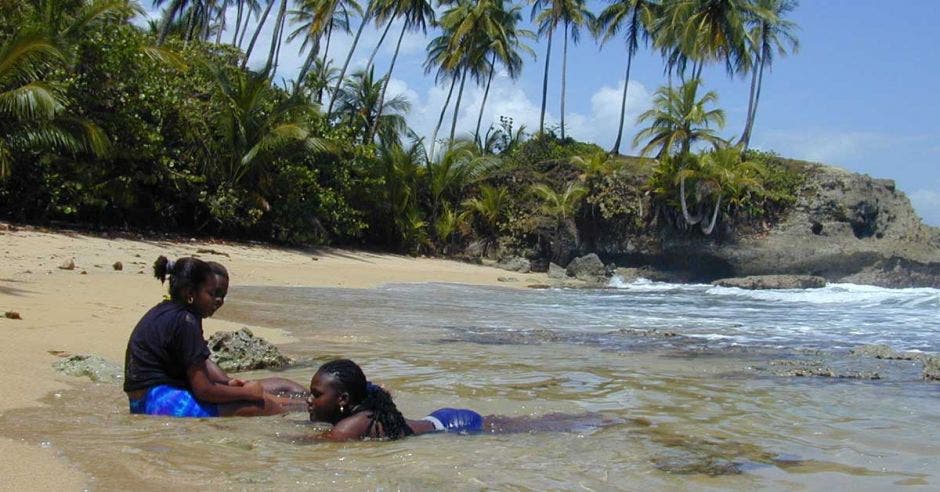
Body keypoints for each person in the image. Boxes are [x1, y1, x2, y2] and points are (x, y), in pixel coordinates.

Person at [123, 255, 303, 417]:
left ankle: (307, 405)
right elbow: (204, 390)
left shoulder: (166, 311)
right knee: (265, 406)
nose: (217, 300)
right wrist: (248, 393)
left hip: (142, 400)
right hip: (160, 403)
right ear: (191, 294)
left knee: (279, 385)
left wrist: (229, 382)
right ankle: (306, 416)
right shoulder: (186, 320)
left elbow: (201, 362)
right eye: (211, 293)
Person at [307, 359, 619, 441]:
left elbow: (312, 447)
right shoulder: (362, 409)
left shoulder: (350, 427)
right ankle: (593, 420)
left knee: (528, 427)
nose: (309, 400)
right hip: (440, 419)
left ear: (344, 400)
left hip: (454, 425)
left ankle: (597, 421)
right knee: (517, 424)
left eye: (316, 395)